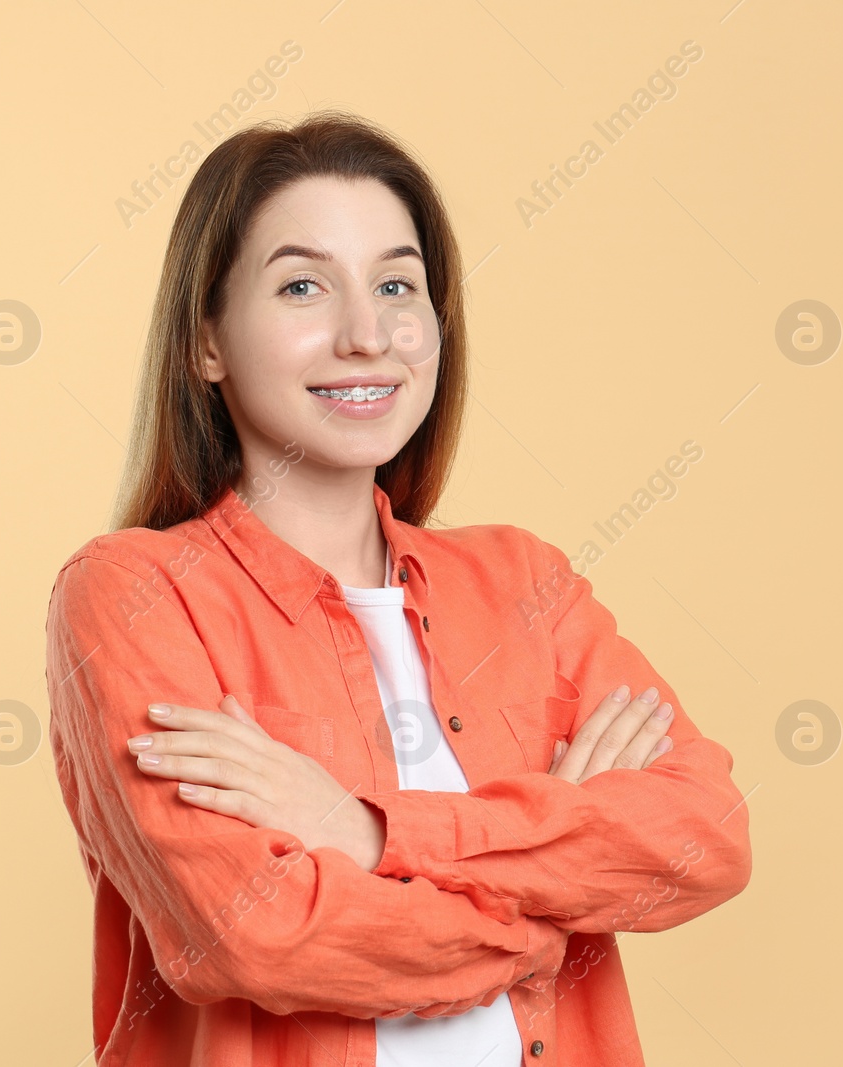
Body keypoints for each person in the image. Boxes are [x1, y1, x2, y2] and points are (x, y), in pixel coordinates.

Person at [43, 110, 752, 1066]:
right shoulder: (130, 595)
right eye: (303, 285)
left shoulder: (524, 583)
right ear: (207, 341)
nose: (366, 335)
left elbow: (704, 837)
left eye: (395, 285)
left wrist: (369, 834)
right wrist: (548, 906)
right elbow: (258, 933)